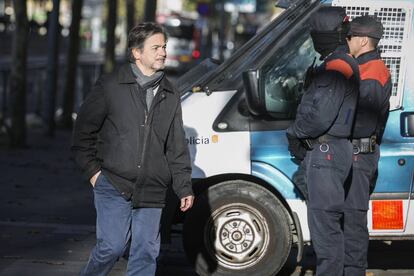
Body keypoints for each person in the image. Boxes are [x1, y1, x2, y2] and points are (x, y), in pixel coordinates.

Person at [71, 22, 194, 276]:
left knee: (145, 254)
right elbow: (83, 134)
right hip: (113, 183)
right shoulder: (110, 86)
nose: (162, 52)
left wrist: (183, 186)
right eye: (156, 47)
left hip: (153, 188)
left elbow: (176, 145)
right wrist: (94, 173)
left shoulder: (171, 93)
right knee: (111, 248)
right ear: (137, 53)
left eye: (164, 47)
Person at [286, 6, 360, 275]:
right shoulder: (337, 62)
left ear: (325, 34)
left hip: (326, 153)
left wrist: (295, 131)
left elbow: (319, 116)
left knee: (325, 231)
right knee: (330, 229)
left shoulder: (337, 66)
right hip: (333, 151)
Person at [344, 16, 391, 276]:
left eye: (349, 36)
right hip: (356, 153)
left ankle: (353, 270)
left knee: (352, 219)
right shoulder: (363, 67)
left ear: (362, 40)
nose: (346, 40)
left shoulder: (372, 72)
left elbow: (362, 123)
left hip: (359, 154)